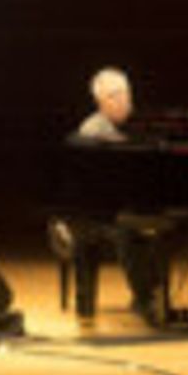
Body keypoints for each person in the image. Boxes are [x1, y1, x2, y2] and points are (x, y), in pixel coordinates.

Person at [63, 66, 169, 326]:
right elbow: (91, 189)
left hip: (117, 207)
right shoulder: (95, 132)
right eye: (114, 95)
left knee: (153, 227)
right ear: (100, 101)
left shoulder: (136, 126)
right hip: (93, 214)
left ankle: (153, 293)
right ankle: (147, 299)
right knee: (130, 232)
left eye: (125, 93)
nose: (123, 100)